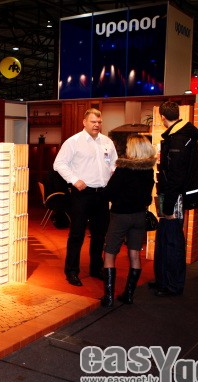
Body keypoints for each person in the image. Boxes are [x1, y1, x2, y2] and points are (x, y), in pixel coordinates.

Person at [54, 108, 118, 286]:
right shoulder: (73, 142)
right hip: (82, 194)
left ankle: (96, 268)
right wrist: (74, 180)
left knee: (99, 234)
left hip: (102, 194)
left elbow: (114, 162)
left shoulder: (107, 142)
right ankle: (71, 271)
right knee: (77, 234)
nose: (97, 125)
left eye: (99, 122)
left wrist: (113, 172)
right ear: (84, 122)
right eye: (93, 122)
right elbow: (59, 164)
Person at [151, 101, 198, 297]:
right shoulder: (181, 135)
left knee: (172, 242)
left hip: (174, 198)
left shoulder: (179, 139)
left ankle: (172, 285)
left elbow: (176, 176)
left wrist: (168, 206)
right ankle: (163, 281)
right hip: (173, 196)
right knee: (165, 239)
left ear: (162, 117)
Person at [101, 135, 156, 307]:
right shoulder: (148, 170)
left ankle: (109, 297)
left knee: (109, 253)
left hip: (120, 216)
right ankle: (129, 295)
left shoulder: (123, 169)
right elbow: (147, 198)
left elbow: (109, 193)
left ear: (132, 149)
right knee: (134, 255)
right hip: (139, 216)